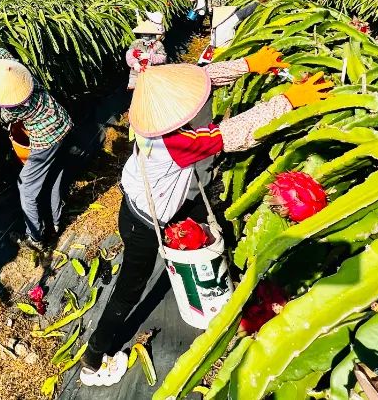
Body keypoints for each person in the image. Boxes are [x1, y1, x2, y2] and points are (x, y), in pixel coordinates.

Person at [79, 52, 332, 387]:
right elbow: (233, 134)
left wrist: (249, 64)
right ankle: (93, 361)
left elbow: (203, 77)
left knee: (217, 225)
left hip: (152, 200)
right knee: (129, 290)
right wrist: (287, 100)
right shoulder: (176, 141)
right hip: (145, 220)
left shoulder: (148, 117)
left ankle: (241, 287)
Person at [0, 29, 72, 252]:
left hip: (45, 140)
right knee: (56, 173)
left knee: (27, 187)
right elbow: (1, 53)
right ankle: (57, 221)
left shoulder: (12, 108)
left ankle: (35, 237)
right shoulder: (22, 74)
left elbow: (4, 118)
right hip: (64, 124)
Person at [126, 11, 166, 91]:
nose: (145, 36)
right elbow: (129, 53)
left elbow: (163, 58)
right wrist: (135, 63)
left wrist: (150, 56)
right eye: (143, 34)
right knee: (134, 89)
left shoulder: (158, 45)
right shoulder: (136, 43)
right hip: (136, 73)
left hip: (153, 74)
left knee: (150, 91)